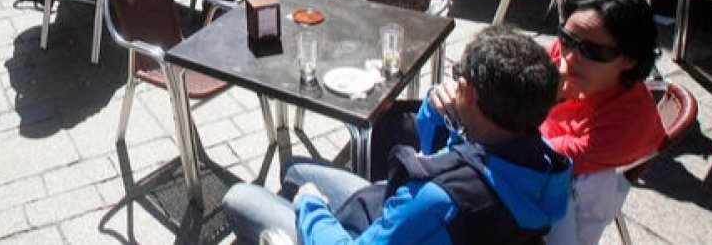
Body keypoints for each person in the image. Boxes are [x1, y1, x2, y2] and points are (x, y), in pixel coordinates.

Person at [223, 27, 572, 245]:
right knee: (295, 169)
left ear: (467, 92)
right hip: (403, 217)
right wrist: (434, 109)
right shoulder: (539, 161)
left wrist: (312, 208)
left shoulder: (438, 201)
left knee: (240, 197)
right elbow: (443, 154)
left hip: (388, 227)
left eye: (457, 77)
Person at [542, 0, 665, 245]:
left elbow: (533, 155)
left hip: (571, 199)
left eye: (592, 51)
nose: (569, 57)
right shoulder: (565, 54)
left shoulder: (626, 124)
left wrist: (544, 95)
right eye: (566, 38)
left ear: (629, 59)